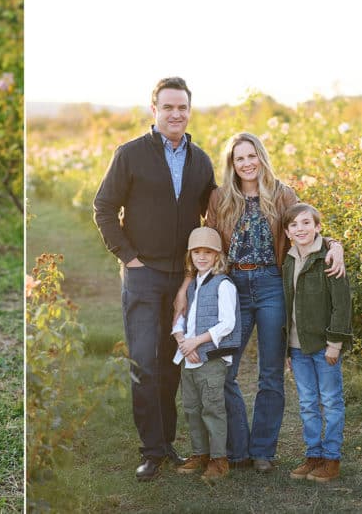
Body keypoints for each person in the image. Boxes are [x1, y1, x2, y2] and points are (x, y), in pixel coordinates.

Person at [180, 132, 344, 473]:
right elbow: (208, 243)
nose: (247, 163)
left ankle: (263, 451)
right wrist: (187, 284)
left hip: (271, 285)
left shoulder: (283, 195)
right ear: (232, 164)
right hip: (233, 286)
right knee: (224, 369)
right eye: (239, 158)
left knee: (270, 373)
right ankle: (237, 449)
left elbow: (304, 229)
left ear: (261, 157)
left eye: (251, 156)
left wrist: (333, 244)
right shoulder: (220, 198)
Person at [93, 77, 216, 481]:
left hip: (182, 280)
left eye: (182, 107)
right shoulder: (130, 154)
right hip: (143, 276)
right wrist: (128, 258)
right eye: (168, 107)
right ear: (154, 110)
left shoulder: (200, 160)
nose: (176, 114)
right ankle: (151, 451)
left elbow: (213, 215)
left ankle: (167, 444)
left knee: (172, 364)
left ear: (189, 111)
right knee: (145, 363)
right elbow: (105, 207)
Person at [282, 203, 351, 483]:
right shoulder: (288, 260)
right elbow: (288, 305)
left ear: (318, 226)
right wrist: (287, 347)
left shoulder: (329, 258)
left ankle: (331, 459)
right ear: (287, 231)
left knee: (331, 401)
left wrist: (335, 344)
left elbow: (342, 305)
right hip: (298, 347)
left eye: (306, 223)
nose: (301, 229)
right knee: (308, 403)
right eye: (295, 225)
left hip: (324, 346)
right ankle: (313, 455)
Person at [172, 227, 240, 481]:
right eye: (197, 252)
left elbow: (227, 324)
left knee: (212, 408)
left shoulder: (223, 285)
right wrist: (183, 341)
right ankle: (200, 453)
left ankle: (219, 459)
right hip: (188, 356)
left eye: (208, 252)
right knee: (191, 407)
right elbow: (180, 318)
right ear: (190, 255)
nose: (202, 257)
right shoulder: (191, 286)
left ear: (216, 256)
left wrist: (196, 343)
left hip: (211, 357)